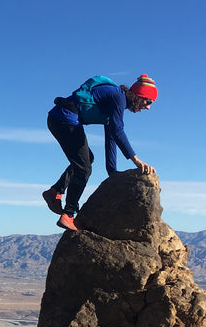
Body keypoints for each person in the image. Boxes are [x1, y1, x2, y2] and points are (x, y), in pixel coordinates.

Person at [42, 74, 158, 232]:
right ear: (139, 96)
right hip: (64, 120)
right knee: (84, 168)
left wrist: (113, 173)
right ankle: (68, 214)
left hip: (60, 119)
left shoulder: (116, 103)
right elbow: (118, 131)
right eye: (148, 101)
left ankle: (55, 192)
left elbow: (111, 139)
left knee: (87, 160)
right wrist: (136, 160)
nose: (148, 107)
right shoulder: (118, 97)